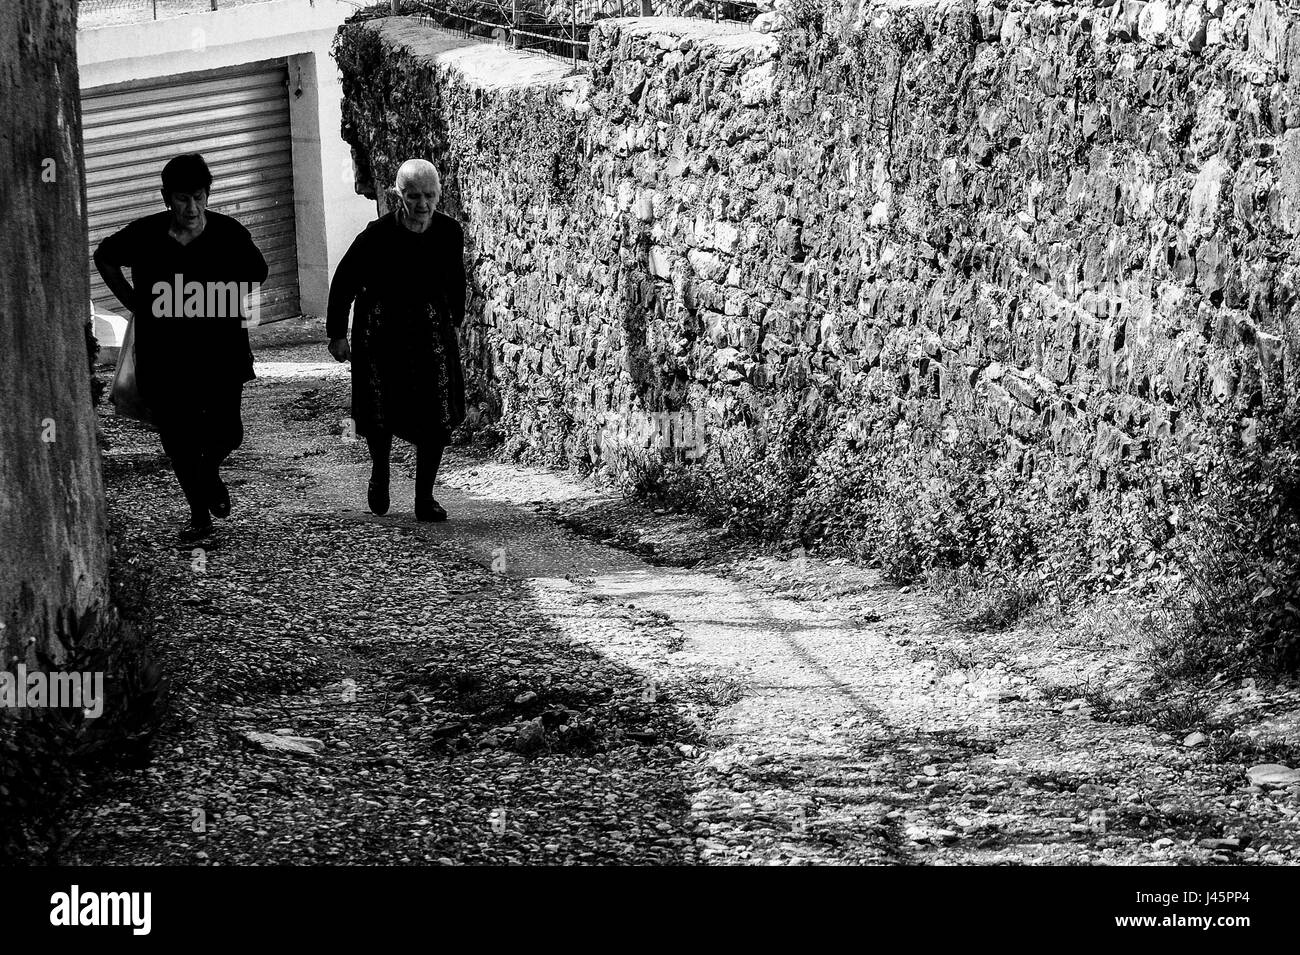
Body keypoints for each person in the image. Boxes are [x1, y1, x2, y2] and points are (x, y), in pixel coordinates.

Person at [94, 153, 268, 542]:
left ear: (208, 194)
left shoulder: (228, 233)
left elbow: (258, 272)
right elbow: (104, 255)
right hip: (164, 357)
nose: (192, 207)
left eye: (199, 196)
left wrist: (219, 296)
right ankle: (199, 517)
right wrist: (133, 301)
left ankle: (208, 476)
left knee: (228, 432)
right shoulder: (145, 235)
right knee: (179, 439)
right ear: (166, 198)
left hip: (220, 354)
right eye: (182, 198)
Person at [326, 158, 466, 521]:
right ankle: (380, 474)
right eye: (414, 196)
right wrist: (337, 334)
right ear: (398, 195)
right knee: (380, 413)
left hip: (430, 335)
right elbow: (344, 282)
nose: (422, 204)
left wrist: (457, 320)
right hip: (381, 335)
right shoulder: (377, 235)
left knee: (435, 417)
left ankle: (425, 498)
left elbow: (455, 280)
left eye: (429, 196)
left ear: (439, 193)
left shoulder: (449, 232)